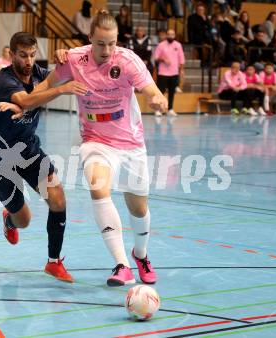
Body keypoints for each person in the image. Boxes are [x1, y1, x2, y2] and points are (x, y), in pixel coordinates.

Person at [15, 10, 168, 287]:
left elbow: (152, 92)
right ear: (90, 39)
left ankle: (141, 255)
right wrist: (23, 102)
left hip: (131, 144)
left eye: (111, 43)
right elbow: (46, 87)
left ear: (117, 40)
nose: (107, 50)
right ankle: (122, 264)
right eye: (100, 43)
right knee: (99, 188)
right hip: (96, 141)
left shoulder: (128, 60)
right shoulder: (74, 59)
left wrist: (159, 101)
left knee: (138, 209)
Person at [0, 32, 86, 283]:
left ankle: (53, 262)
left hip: (28, 151)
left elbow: (72, 66)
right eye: (22, 55)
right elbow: (27, 100)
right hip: (1, 158)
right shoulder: (4, 79)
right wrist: (62, 89)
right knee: (24, 220)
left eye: (32, 55)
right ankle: (10, 218)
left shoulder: (39, 73)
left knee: (58, 200)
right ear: (11, 54)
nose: (28, 61)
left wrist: (65, 55)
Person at [153, 29, 185, 117]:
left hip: (174, 73)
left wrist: (181, 70)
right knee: (160, 92)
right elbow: (156, 57)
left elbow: (181, 59)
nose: (171, 36)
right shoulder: (161, 45)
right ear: (166, 35)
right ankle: (158, 110)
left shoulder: (178, 45)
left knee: (172, 92)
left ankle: (170, 109)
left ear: (174, 36)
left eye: (172, 34)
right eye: (169, 34)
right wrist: (163, 59)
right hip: (163, 73)